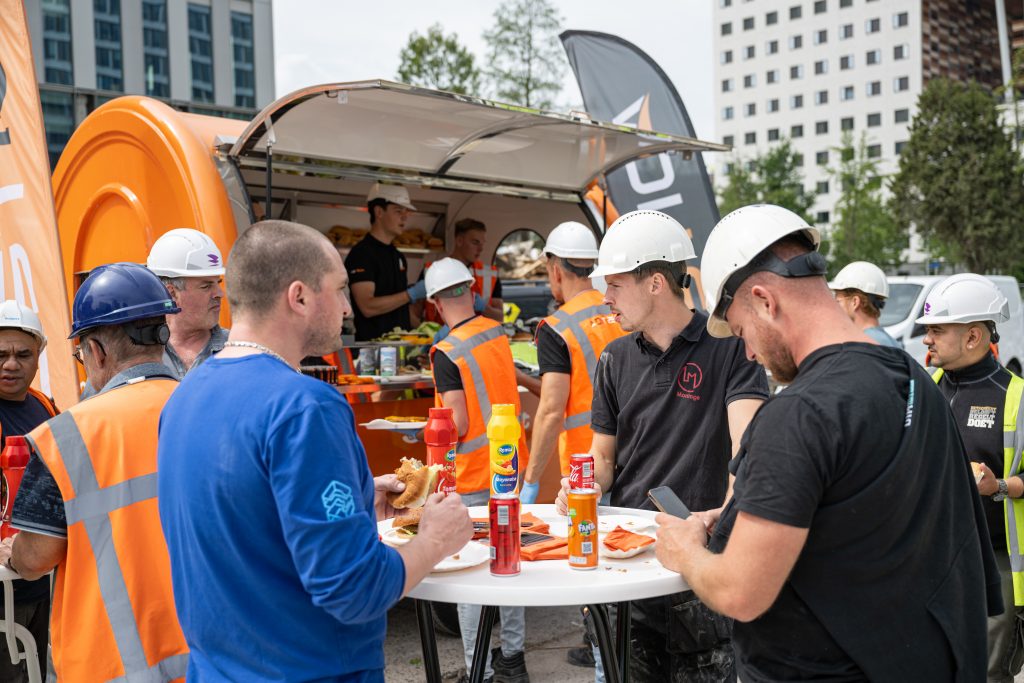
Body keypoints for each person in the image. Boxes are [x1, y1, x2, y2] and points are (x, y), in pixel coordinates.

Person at [655, 204, 1002, 681]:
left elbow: (740, 591)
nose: (750, 353)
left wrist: (685, 550)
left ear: (764, 300)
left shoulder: (799, 413)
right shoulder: (915, 380)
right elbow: (868, 516)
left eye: (741, 332)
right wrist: (747, 513)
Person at [157, 220, 472, 681]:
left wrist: (359, 500)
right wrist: (435, 541)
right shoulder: (306, 406)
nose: (348, 308)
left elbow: (247, 524)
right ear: (299, 296)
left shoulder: (184, 396)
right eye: (341, 289)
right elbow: (354, 588)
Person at [560, 209, 769, 682]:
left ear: (655, 282)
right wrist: (584, 487)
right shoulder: (613, 358)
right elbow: (605, 458)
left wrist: (723, 526)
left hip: (697, 569)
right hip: (627, 564)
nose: (605, 297)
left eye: (614, 285)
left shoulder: (730, 349)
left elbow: (748, 450)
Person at [0, 263, 189, 682]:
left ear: (96, 352)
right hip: (208, 655)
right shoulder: (206, 407)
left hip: (110, 665)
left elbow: (36, 557)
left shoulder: (68, 433)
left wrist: (14, 552)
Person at [426, 257, 530, 683]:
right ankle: (514, 660)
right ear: (470, 290)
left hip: (470, 476)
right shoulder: (494, 331)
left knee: (471, 575)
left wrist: (426, 431)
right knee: (508, 562)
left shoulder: (446, 351)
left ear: (434, 303)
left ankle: (478, 671)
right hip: (507, 466)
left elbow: (458, 421)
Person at [917, 273, 1024, 683]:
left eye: (937, 330)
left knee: (986, 674)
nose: (927, 339)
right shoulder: (930, 388)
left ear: (973, 336)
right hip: (934, 558)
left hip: (993, 564)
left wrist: (997, 487)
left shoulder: (1014, 396)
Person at [520, 222, 625, 505]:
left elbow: (551, 411)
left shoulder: (556, 328)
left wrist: (530, 481)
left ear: (555, 269)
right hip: (633, 460)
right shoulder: (621, 310)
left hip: (587, 471)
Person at [0, 302, 57, 683]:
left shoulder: (43, 406)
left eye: (23, 354)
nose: (11, 364)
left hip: (40, 573)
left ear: (39, 357)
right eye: (1, 354)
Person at [345, 183, 427, 341]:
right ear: (379, 212)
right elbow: (367, 306)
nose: (405, 217)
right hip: (372, 350)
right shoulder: (362, 254)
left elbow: (401, 309)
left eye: (406, 212)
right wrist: (410, 295)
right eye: (398, 211)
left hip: (400, 349)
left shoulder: (397, 255)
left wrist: (426, 330)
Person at [147, 228, 229, 377]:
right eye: (206, 286)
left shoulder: (238, 350)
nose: (219, 294)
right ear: (171, 293)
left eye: (218, 283)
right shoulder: (137, 355)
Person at [420, 218, 503, 323]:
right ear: (459, 241)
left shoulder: (490, 274)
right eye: (475, 242)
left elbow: (500, 317)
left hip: (477, 337)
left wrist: (484, 308)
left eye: (482, 244)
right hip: (441, 338)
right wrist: (426, 334)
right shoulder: (431, 272)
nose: (480, 248)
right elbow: (413, 312)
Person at [828, 260, 902, 348]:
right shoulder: (889, 342)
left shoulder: (864, 345)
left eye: (838, 301)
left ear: (855, 302)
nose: (835, 307)